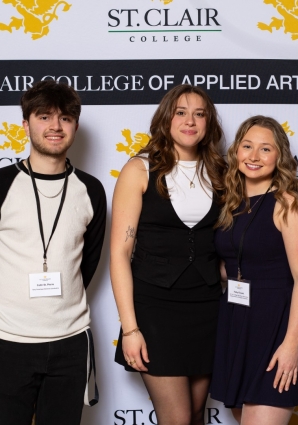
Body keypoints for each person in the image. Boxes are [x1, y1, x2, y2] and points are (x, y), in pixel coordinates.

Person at [111, 84, 227, 425]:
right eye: (181, 113)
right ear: (166, 119)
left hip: (207, 308)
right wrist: (130, 329)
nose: (190, 121)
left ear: (208, 122)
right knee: (176, 418)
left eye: (199, 114)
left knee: (196, 416)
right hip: (155, 310)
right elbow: (119, 253)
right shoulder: (139, 169)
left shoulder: (221, 172)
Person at [210, 115, 298, 425]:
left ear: (279, 156)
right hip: (237, 323)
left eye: (265, 149)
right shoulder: (231, 204)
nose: (254, 156)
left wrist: (291, 345)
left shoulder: (288, 204)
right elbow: (232, 265)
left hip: (277, 325)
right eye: (247, 146)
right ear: (236, 151)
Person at [0, 80, 106, 424]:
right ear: (25, 124)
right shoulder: (3, 184)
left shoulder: (91, 189)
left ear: (75, 125)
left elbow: (88, 261)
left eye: (65, 118)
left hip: (70, 342)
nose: (55, 126)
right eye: (44, 116)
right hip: (8, 340)